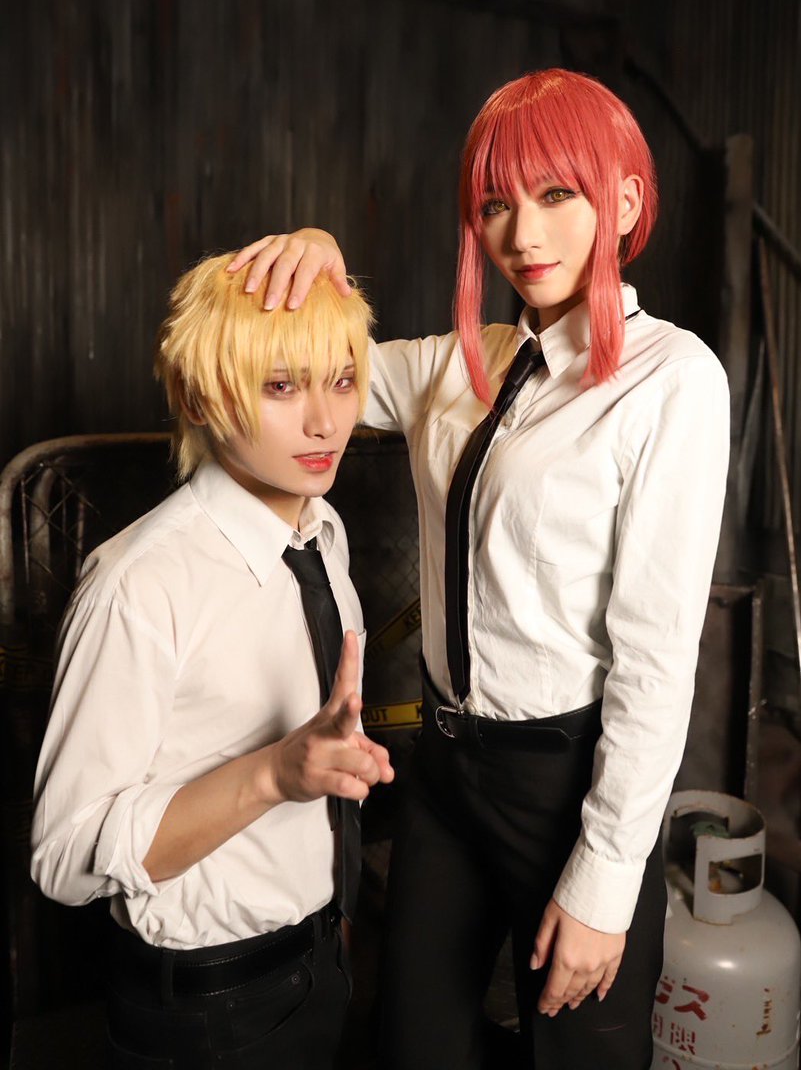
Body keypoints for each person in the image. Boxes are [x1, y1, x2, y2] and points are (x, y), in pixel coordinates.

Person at [228, 68, 731, 1070]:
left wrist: (604, 882)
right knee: (413, 1042)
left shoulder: (671, 382)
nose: (522, 234)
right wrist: (321, 261)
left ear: (623, 202)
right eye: (496, 204)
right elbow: (313, 374)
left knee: (579, 1056)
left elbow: (655, 660)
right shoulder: (463, 362)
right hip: (446, 773)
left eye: (556, 194)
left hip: (570, 782)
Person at [31, 256, 394, 1070]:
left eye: (341, 381)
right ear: (200, 399)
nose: (324, 422)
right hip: (205, 1016)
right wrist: (272, 774)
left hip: (320, 966)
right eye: (280, 387)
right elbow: (63, 857)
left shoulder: (322, 534)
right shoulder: (140, 584)